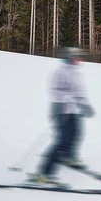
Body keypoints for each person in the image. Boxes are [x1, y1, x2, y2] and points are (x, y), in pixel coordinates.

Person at [29, 47, 95, 185]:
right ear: (70, 57)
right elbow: (53, 90)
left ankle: (69, 157)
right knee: (62, 142)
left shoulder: (76, 72)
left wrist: (85, 105)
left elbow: (80, 93)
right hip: (60, 109)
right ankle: (43, 174)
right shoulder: (60, 71)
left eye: (81, 57)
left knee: (77, 134)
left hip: (73, 110)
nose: (80, 59)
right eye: (77, 57)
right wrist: (68, 99)